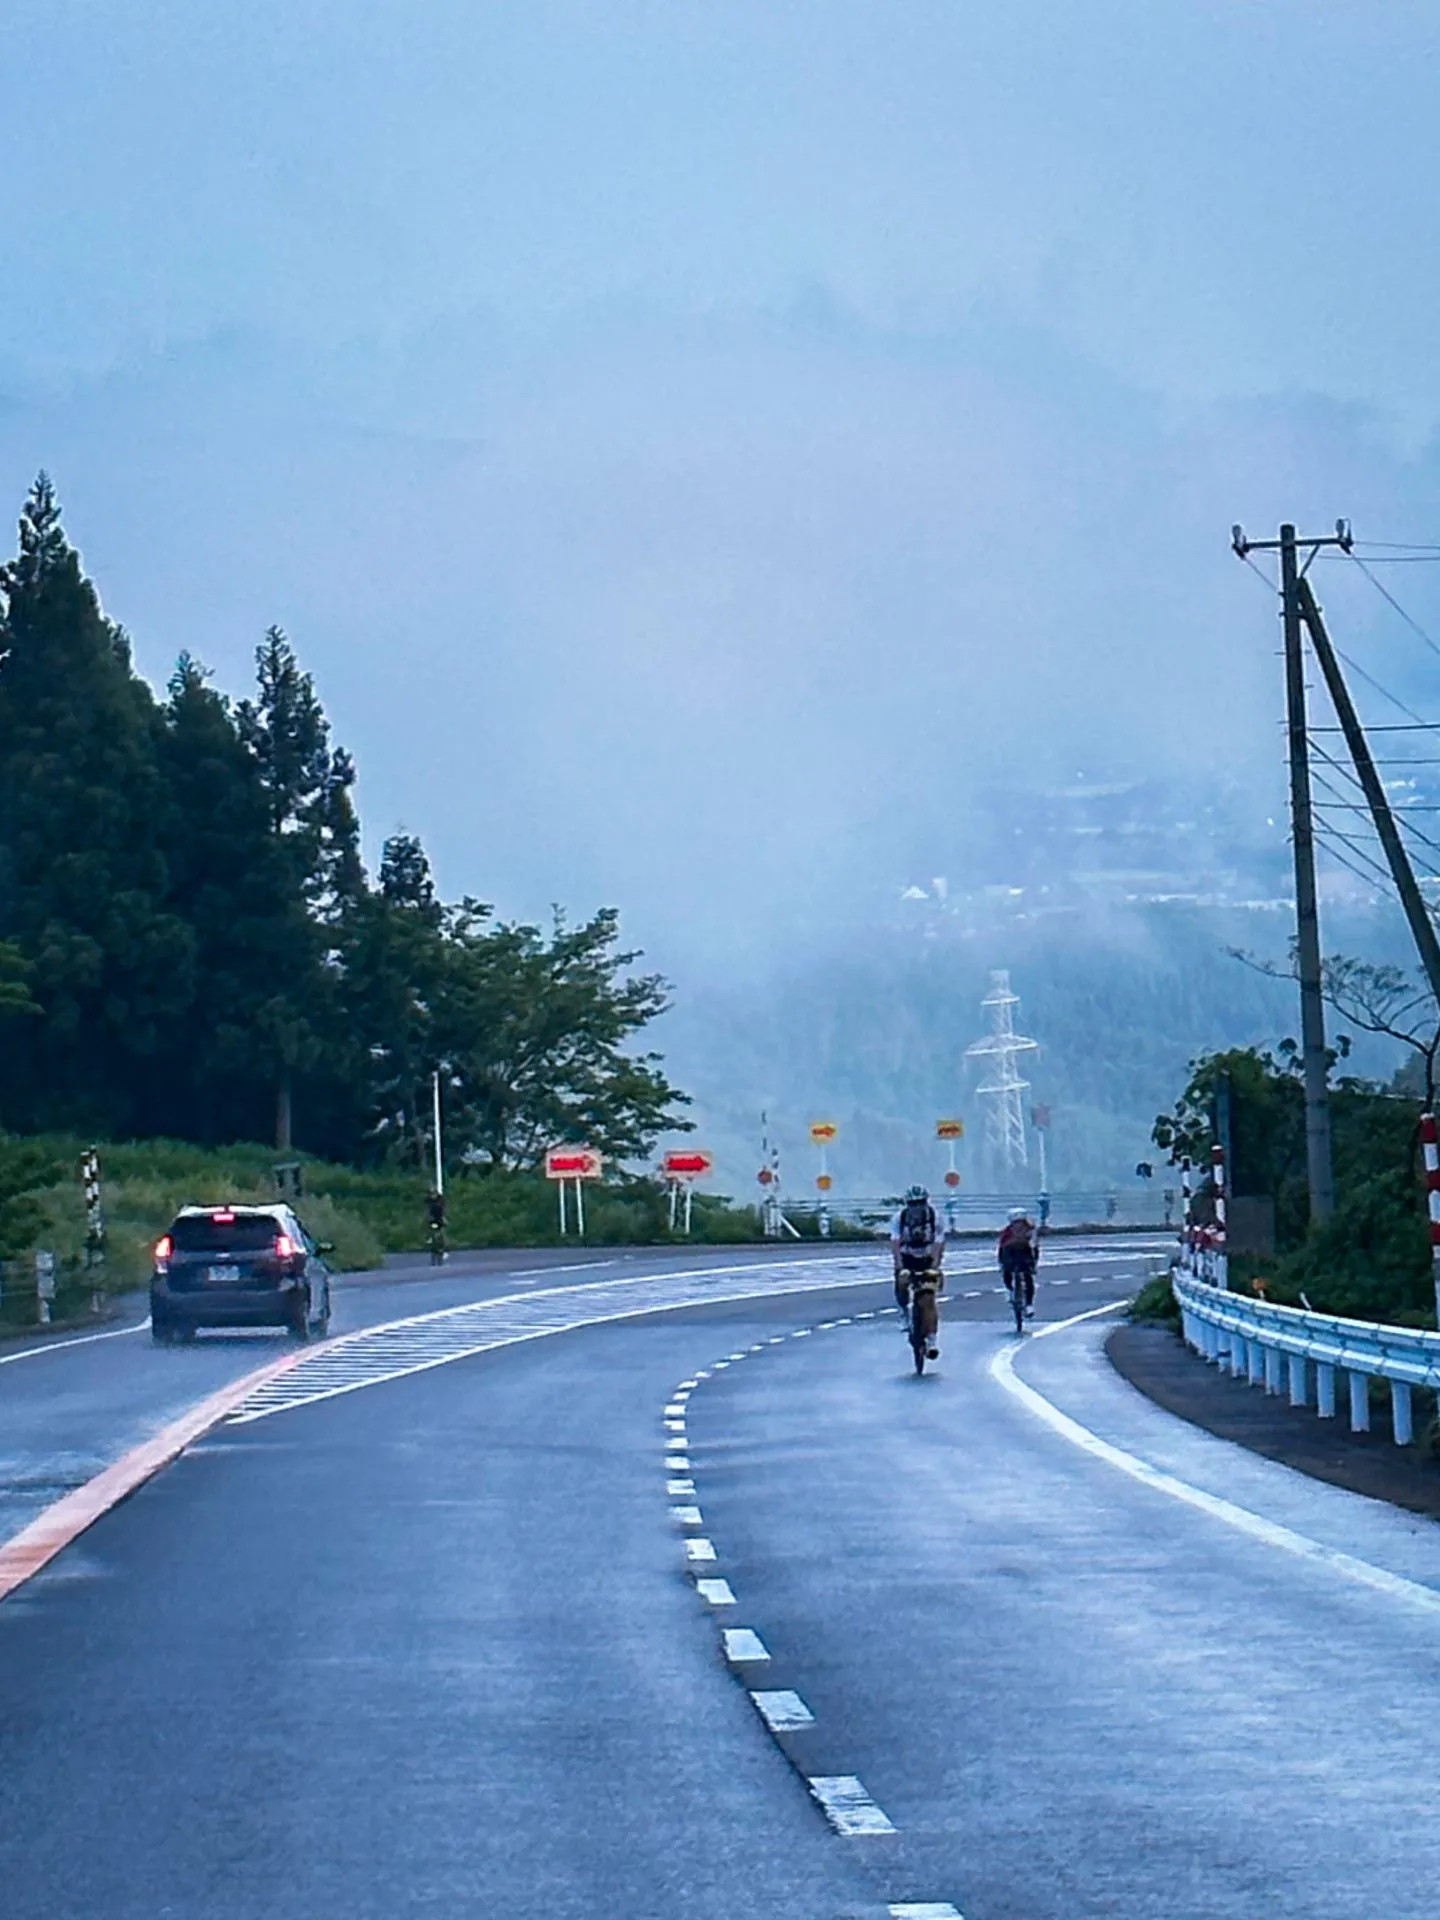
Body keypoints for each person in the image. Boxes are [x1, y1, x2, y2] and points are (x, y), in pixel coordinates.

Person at [891, 1183, 944, 1358]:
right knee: (901, 1282)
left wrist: (935, 1265)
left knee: (929, 1299)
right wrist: (899, 1265)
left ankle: (932, 1340)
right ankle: (904, 1313)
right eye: (913, 1204)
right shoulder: (900, 1217)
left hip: (927, 1260)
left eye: (920, 1203)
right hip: (907, 1258)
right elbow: (895, 1242)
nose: (916, 1207)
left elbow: (939, 1242)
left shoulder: (935, 1216)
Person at [998, 1207, 1039, 1316]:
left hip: (1016, 1255)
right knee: (1028, 1277)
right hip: (1022, 1255)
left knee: (1008, 1271)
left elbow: (1001, 1248)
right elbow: (1034, 1248)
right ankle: (1028, 1304)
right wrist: (1034, 1264)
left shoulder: (1007, 1231)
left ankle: (1010, 1291)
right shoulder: (1030, 1229)